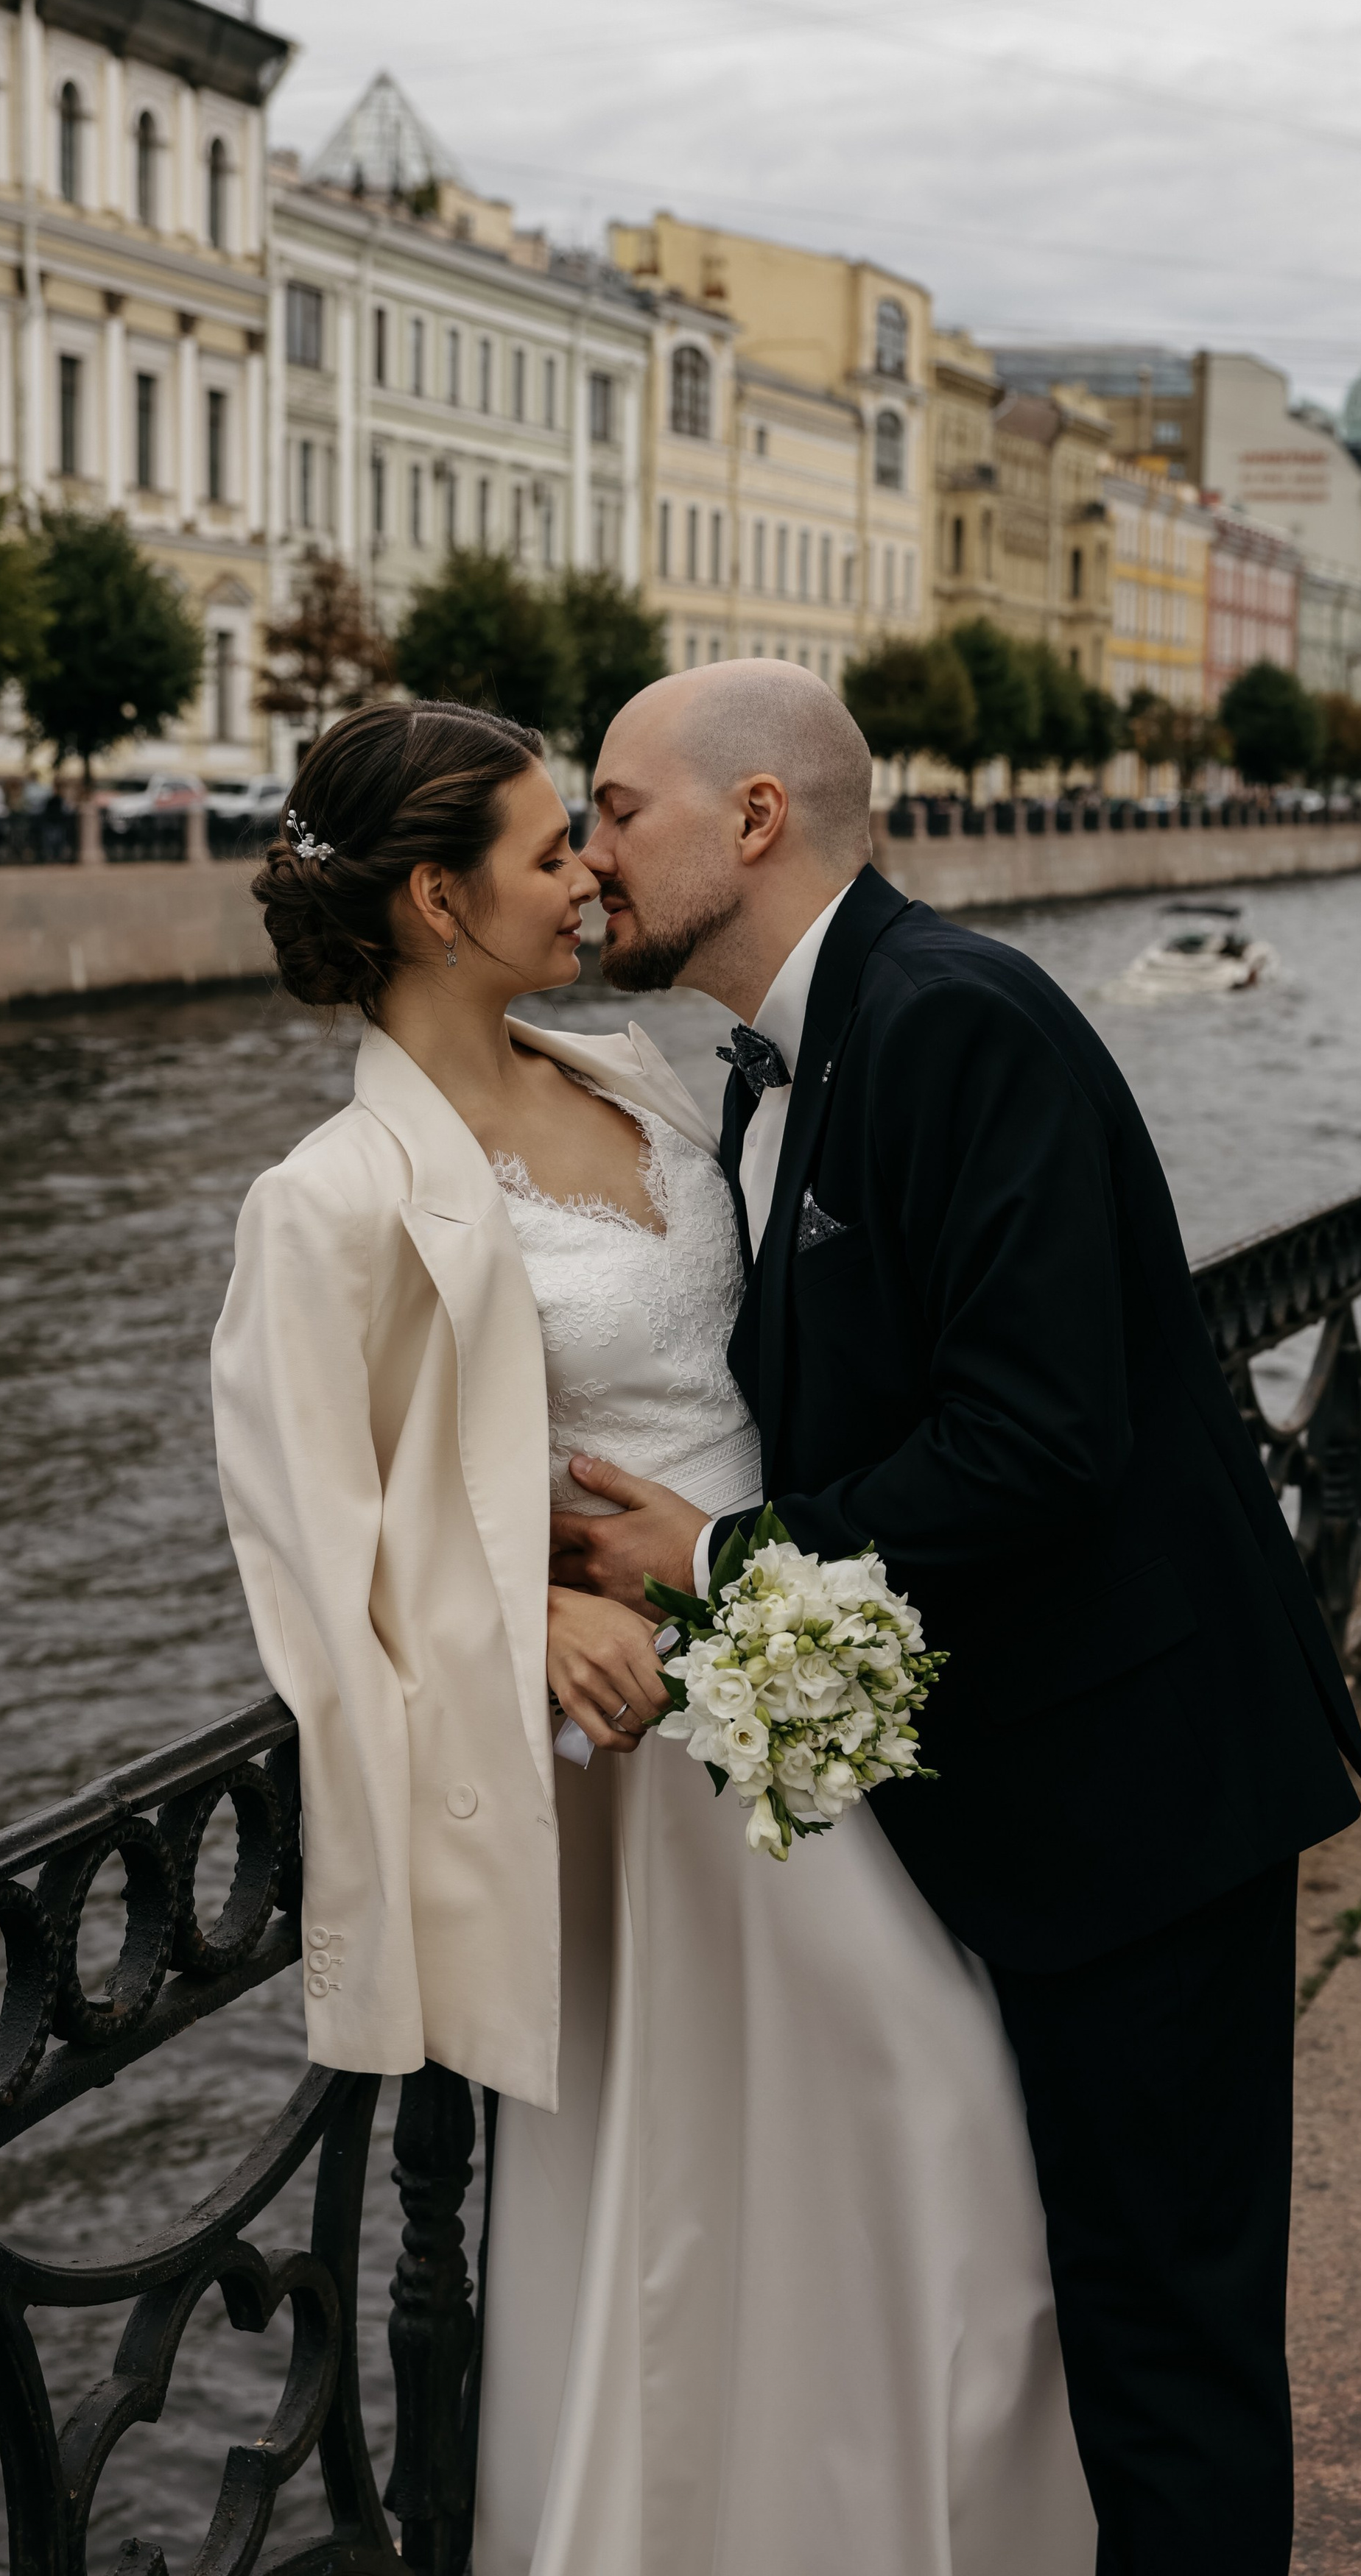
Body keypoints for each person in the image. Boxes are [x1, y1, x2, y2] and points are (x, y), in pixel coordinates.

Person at [211, 698, 1094, 2576]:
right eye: (553, 846)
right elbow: (308, 1542)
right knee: (699, 2211)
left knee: (927, 2134)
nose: (591, 868)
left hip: (795, 1682)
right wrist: (520, 1608)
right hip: (634, 1767)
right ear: (439, 908)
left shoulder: (643, 1072)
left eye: (592, 825)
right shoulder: (330, 1200)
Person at [552, 659, 1361, 2576]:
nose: (590, 856)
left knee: (1161, 2338)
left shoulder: (950, 1023)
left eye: (615, 808)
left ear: (754, 820)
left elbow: (1039, 1444)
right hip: (1031, 1790)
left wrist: (726, 1562)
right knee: (1079, 2308)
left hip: (1139, 1795)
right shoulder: (792, 1053)